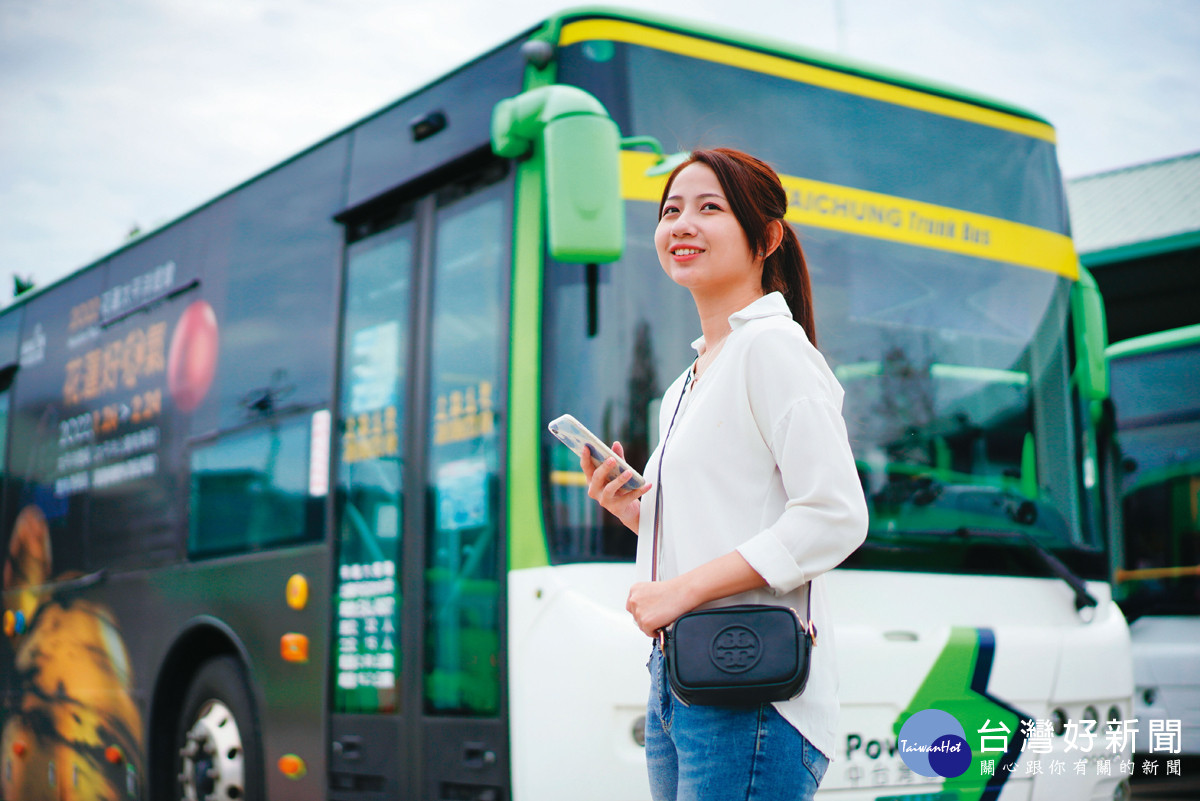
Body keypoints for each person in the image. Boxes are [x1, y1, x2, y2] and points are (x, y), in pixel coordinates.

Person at [581, 147, 869, 801]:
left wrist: (679, 591)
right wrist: (636, 512)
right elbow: (730, 513)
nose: (682, 223)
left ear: (766, 237)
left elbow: (835, 515)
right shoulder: (686, 381)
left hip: (750, 685)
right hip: (683, 677)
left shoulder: (773, 349)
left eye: (710, 207)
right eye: (671, 209)